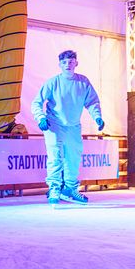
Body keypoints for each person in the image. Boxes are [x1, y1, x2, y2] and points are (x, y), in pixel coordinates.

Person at [31, 50, 104, 205]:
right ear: (59, 65)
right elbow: (37, 102)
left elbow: (92, 102)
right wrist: (41, 117)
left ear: (76, 63)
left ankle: (69, 189)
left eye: (71, 61)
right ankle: (54, 188)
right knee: (55, 157)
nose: (68, 64)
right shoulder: (52, 83)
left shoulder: (83, 82)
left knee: (73, 159)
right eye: (64, 62)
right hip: (53, 125)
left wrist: (97, 117)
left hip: (73, 127)